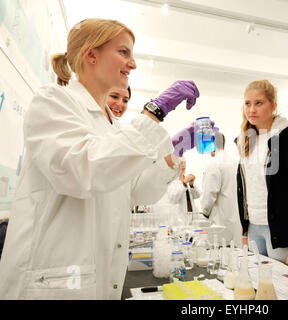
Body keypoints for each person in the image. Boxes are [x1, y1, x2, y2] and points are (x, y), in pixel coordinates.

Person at [0, 18, 201, 299]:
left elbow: (138, 192)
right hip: (52, 281)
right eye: (124, 52)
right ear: (90, 54)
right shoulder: (52, 102)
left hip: (99, 277)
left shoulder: (113, 127)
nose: (133, 64)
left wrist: (172, 156)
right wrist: (154, 110)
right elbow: (84, 171)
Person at [236, 80, 288, 264]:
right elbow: (245, 190)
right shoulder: (246, 140)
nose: (252, 109)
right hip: (254, 227)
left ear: (273, 105)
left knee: (284, 290)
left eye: (259, 103)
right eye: (248, 103)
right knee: (257, 286)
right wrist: (245, 231)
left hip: (282, 231)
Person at [200, 132, 242, 246]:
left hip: (220, 223)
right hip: (237, 222)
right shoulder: (236, 161)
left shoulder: (214, 163)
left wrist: (204, 212)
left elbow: (209, 193)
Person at [166, 159, 201, 227]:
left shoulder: (187, 178)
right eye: (180, 163)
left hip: (192, 216)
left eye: (184, 163)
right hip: (180, 218)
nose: (183, 165)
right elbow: (173, 198)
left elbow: (197, 195)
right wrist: (184, 183)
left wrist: (191, 184)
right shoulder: (172, 180)